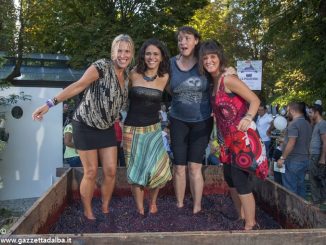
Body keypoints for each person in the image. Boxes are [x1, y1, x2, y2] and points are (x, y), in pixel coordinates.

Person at [32, 34, 134, 220]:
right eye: (119, 50)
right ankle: (88, 212)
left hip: (107, 128)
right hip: (85, 124)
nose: (123, 55)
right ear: (113, 52)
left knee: (111, 171)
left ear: (132, 53)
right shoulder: (102, 66)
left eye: (127, 51)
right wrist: (48, 104)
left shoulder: (127, 75)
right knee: (91, 171)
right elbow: (78, 86)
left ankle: (104, 208)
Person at [199, 40, 268, 230]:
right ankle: (240, 217)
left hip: (240, 138)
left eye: (212, 57)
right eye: (205, 58)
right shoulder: (213, 82)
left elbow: (254, 99)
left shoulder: (228, 79)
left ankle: (251, 224)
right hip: (225, 140)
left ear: (219, 58)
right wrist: (216, 139)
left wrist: (248, 116)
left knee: (240, 180)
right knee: (230, 179)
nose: (209, 61)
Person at [123, 38, 172, 215]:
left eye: (155, 54)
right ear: (143, 55)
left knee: (157, 170)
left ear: (161, 57)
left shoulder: (166, 77)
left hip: (153, 130)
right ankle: (140, 207)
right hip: (131, 130)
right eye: (148, 53)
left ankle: (152, 202)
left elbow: (182, 95)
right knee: (135, 171)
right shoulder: (132, 73)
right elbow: (118, 93)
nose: (151, 57)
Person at [168, 26, 214, 214]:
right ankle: (179, 205)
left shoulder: (204, 63)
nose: (183, 42)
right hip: (178, 120)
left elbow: (220, 72)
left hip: (202, 121)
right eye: (180, 39)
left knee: (195, 167)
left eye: (187, 38)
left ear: (196, 40)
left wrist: (231, 70)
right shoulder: (170, 63)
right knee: (179, 167)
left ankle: (197, 206)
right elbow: (164, 86)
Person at [277, 102, 312, 199]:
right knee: (300, 187)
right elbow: (303, 140)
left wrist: (282, 158)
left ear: (292, 111)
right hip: (304, 159)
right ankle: (303, 212)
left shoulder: (294, 124)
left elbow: (292, 143)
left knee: (290, 190)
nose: (287, 113)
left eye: (288, 110)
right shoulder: (307, 123)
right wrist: (285, 140)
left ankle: (292, 212)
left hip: (294, 160)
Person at [308, 104, 326, 206]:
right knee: (315, 178)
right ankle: (318, 200)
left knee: (317, 178)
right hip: (314, 155)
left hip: (318, 155)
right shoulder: (316, 124)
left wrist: (323, 158)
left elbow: (325, 142)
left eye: (311, 112)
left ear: (316, 112)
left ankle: (318, 200)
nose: (309, 115)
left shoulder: (322, 124)